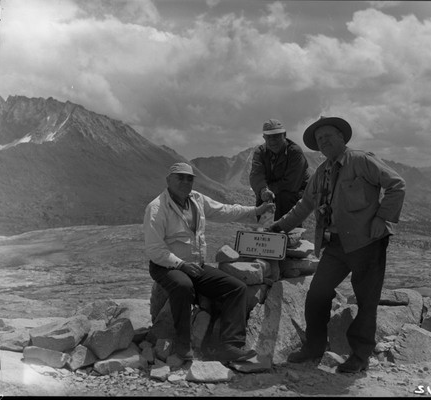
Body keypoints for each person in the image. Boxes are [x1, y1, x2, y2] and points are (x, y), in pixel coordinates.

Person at [266, 116, 406, 373]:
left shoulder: (362, 160)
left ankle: (359, 357)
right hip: (335, 245)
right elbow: (304, 206)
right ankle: (314, 348)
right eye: (320, 140)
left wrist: (382, 217)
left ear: (342, 138)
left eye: (329, 136)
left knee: (366, 301)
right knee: (317, 294)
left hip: (368, 243)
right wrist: (277, 227)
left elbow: (396, 184)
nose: (324, 142)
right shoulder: (321, 173)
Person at [144, 162, 275, 363]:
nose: (185, 182)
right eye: (180, 177)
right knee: (183, 286)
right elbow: (155, 249)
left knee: (236, 288)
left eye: (189, 178)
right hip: (166, 267)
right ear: (169, 180)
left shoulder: (196, 199)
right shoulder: (157, 208)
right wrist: (180, 265)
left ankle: (231, 346)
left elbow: (224, 211)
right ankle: (182, 344)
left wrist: (256, 210)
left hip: (195, 265)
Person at [249, 118, 310, 222]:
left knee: (285, 197)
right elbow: (256, 175)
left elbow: (292, 183)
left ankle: (288, 234)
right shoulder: (260, 152)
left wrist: (269, 189)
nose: (273, 140)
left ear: (284, 135)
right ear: (264, 137)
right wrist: (263, 191)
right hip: (273, 191)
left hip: (294, 194)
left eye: (276, 136)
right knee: (262, 201)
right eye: (269, 137)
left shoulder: (295, 152)